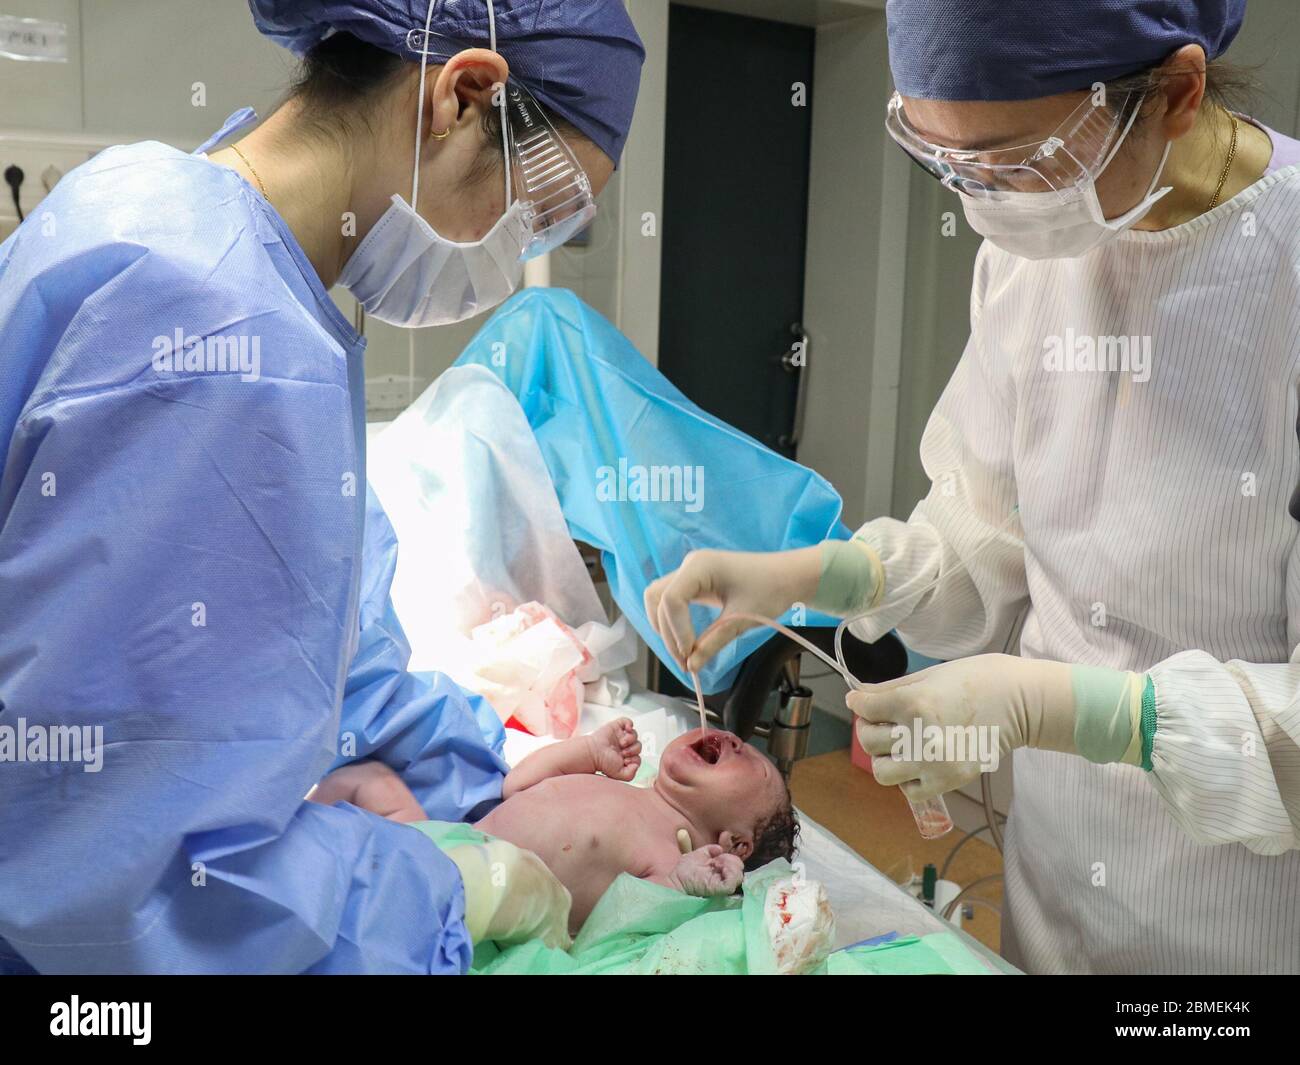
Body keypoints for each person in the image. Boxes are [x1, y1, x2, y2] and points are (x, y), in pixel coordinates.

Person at [646, 0, 1300, 974]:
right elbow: (980, 534)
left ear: (1176, 92)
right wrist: (821, 575)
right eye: (946, 162)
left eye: (1017, 163)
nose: (982, 202)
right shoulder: (1025, 261)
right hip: (1055, 872)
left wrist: (1093, 714)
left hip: (1240, 914)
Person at [0, 0, 643, 974]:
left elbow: (305, 651)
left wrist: (488, 769)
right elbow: (97, 870)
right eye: (535, 213)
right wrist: (442, 886)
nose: (512, 263)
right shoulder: (213, 335)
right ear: (462, 95)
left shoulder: (170, 213)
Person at [318, 719, 799, 932]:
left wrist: (684, 883)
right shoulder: (625, 788)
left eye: (751, 761)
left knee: (369, 907)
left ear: (735, 844)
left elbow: (621, 922)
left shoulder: (668, 857)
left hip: (466, 901)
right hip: (443, 845)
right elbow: (518, 785)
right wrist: (588, 751)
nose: (736, 740)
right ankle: (288, 836)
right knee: (371, 782)